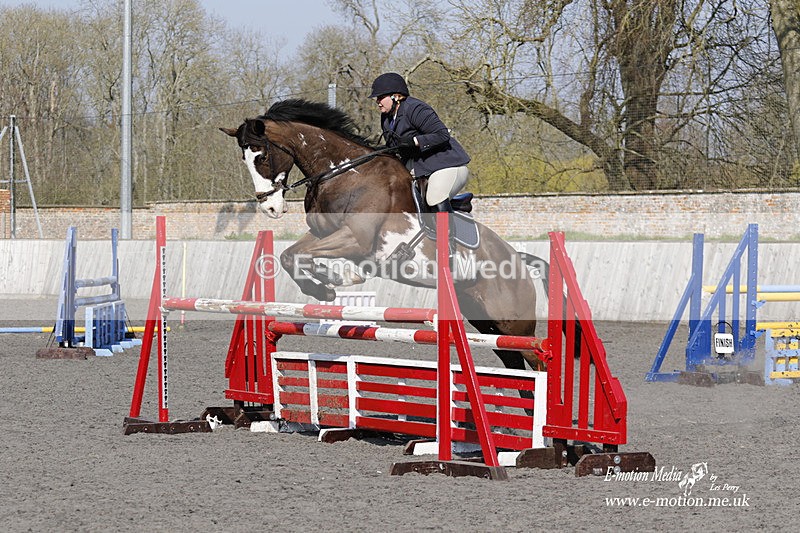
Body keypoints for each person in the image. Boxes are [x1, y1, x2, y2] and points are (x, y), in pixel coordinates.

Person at [368, 72, 470, 214]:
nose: (377, 101)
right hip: (419, 165)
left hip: (447, 165)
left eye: (381, 97)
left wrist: (415, 141)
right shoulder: (386, 118)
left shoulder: (415, 109)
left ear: (396, 96)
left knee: (435, 197)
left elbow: (442, 134)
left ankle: (444, 236)